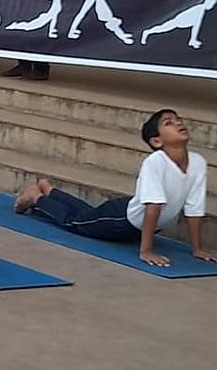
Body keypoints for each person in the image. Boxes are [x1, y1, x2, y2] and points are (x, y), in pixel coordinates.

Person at [13, 109, 214, 266]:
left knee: (88, 214)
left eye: (178, 120)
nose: (178, 123)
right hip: (122, 220)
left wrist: (197, 248)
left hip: (139, 220)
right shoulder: (156, 162)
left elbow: (193, 209)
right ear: (156, 141)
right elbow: (153, 206)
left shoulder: (197, 162)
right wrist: (146, 251)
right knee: (74, 221)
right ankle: (37, 198)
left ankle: (49, 190)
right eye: (169, 123)